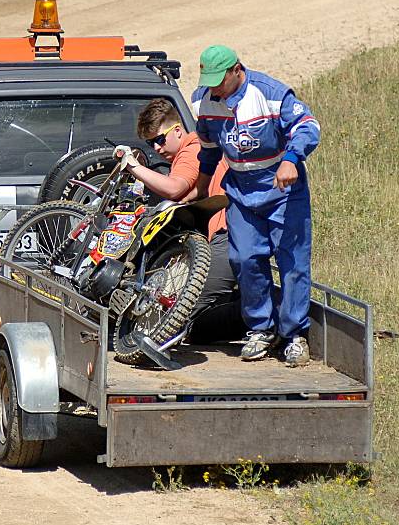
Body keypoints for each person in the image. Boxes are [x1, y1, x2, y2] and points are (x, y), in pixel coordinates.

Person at [193, 45, 320, 367]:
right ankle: (260, 329)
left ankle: (293, 335)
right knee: (244, 257)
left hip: (283, 190)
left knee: (292, 264)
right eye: (209, 81)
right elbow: (208, 148)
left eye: (219, 80)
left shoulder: (272, 94)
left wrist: (292, 160)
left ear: (237, 70)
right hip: (241, 193)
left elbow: (308, 127)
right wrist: (201, 186)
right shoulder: (204, 101)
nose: (215, 88)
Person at [121, 98, 242, 342]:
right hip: (225, 236)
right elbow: (188, 195)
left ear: (177, 130)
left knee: (182, 316)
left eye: (159, 139)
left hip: (226, 237)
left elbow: (174, 188)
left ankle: (267, 313)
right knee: (184, 310)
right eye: (150, 143)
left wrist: (133, 167)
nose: (156, 148)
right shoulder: (197, 150)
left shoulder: (191, 149)